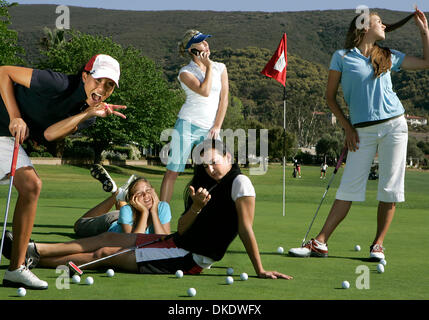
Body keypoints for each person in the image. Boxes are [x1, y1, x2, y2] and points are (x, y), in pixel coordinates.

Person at [10, 139, 292, 280]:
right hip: (175, 243)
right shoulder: (205, 185)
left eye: (214, 161)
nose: (209, 168)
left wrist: (260, 269)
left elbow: (245, 228)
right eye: (204, 164)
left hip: (189, 258)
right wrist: (195, 207)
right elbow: (181, 228)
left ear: (229, 157)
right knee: (108, 239)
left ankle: (29, 259)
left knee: (104, 254)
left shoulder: (240, 183)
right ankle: (31, 250)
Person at [289, 9, 429, 261]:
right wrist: (347, 127)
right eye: (378, 22)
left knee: (390, 188)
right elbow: (330, 98)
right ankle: (320, 242)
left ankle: (378, 245)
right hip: (361, 131)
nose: (384, 25)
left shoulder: (387, 55)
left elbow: (426, 63)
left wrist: (424, 32)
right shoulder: (341, 57)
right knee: (349, 186)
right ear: (364, 27)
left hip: (394, 127)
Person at [0, 54, 126, 289]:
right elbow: (3, 72)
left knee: (31, 185)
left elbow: (49, 134)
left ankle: (16, 269)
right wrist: (15, 116)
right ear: (85, 77)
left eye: (109, 85)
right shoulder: (57, 82)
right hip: (4, 129)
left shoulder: (88, 115)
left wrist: (87, 114)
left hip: (5, 139)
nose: (103, 88)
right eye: (98, 80)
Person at [160, 30, 229, 204]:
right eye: (201, 42)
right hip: (187, 125)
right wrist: (209, 66)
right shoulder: (185, 72)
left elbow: (224, 99)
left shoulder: (221, 68)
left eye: (206, 41)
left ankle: (210, 215)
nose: (206, 44)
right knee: (173, 171)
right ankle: (161, 218)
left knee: (216, 172)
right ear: (192, 50)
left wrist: (217, 126)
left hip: (211, 129)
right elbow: (205, 91)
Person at [73, 168, 171, 237]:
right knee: (79, 225)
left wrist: (153, 211)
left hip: (126, 216)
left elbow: (165, 239)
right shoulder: (127, 209)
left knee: (125, 211)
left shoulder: (162, 207)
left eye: (148, 190)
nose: (145, 195)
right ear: (133, 200)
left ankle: (120, 195)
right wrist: (145, 212)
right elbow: (133, 241)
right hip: (112, 221)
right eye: (139, 193)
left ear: (154, 191)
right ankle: (117, 195)